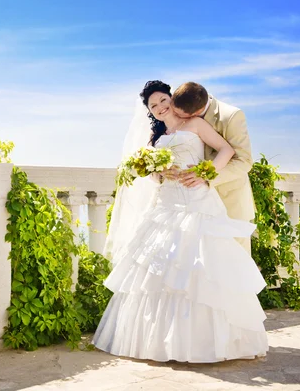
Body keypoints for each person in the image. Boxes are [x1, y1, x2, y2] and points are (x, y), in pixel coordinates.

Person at [94, 80, 268, 363]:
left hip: (198, 200)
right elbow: (154, 176)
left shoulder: (197, 124)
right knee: (162, 269)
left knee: (202, 266)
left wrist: (205, 173)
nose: (161, 107)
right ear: (150, 111)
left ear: (173, 98)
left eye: (164, 100)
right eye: (154, 106)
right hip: (167, 203)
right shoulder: (158, 135)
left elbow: (228, 151)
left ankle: (210, 341)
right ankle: (161, 342)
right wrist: (159, 171)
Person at [171, 82, 255, 253]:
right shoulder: (182, 108)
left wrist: (206, 176)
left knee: (237, 260)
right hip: (197, 203)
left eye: (179, 115)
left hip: (229, 199)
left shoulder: (232, 116)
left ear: (193, 114)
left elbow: (244, 161)